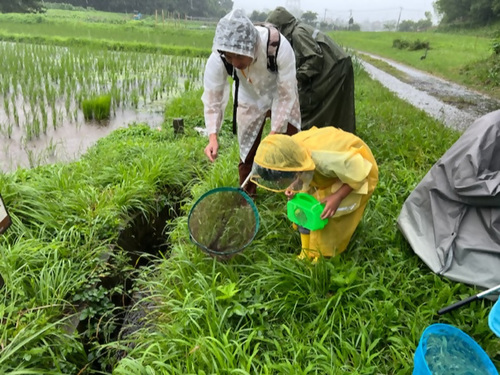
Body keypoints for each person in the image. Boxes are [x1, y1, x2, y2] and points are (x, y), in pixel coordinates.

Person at [202, 9, 301, 197]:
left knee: (291, 144)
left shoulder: (277, 46)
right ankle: (247, 198)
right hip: (249, 97)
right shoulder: (219, 58)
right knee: (247, 151)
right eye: (229, 57)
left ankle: (294, 194)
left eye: (239, 56)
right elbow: (213, 98)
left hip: (280, 93)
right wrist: (212, 137)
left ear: (252, 46)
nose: (235, 62)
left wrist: (272, 135)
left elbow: (286, 94)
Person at [250, 126, 378, 260]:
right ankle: (306, 251)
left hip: (357, 170)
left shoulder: (326, 160)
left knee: (328, 215)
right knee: (305, 210)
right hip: (325, 171)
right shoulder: (287, 153)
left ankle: (322, 254)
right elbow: (298, 173)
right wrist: (294, 186)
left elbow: (359, 173)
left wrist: (338, 196)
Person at [266, 7, 356, 133]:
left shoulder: (298, 33)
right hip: (334, 64)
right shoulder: (296, 30)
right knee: (325, 105)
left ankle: (330, 136)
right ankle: (327, 135)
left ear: (281, 27)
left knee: (324, 105)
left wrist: (295, 78)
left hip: (336, 66)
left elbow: (314, 58)